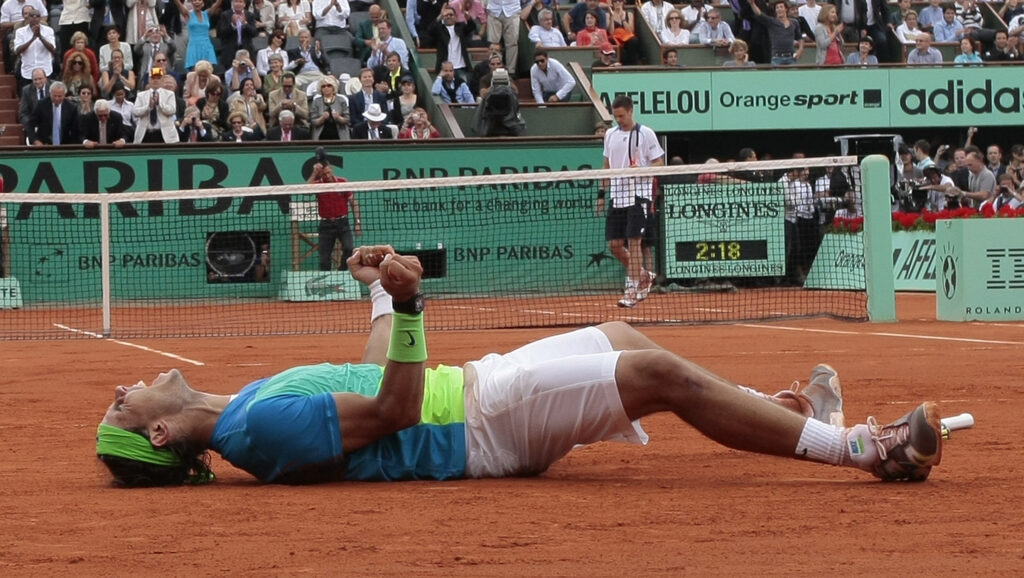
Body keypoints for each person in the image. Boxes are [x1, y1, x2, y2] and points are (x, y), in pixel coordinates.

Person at [95, 244, 945, 487]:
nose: (123, 388)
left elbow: (368, 379)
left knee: (623, 337)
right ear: (163, 432)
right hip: (479, 428)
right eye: (121, 409)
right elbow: (393, 413)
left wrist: (382, 300)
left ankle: (796, 416)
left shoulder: (246, 405)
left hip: (474, 390)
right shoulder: (254, 428)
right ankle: (865, 450)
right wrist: (417, 312)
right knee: (659, 379)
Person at [598, 95, 664, 309]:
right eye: (616, 116)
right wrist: (602, 193)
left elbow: (659, 163)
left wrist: (643, 170)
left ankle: (632, 288)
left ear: (631, 111)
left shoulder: (646, 134)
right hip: (617, 197)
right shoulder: (609, 134)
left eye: (622, 116)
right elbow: (606, 165)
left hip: (639, 195)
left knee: (634, 241)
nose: (619, 120)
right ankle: (643, 275)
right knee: (615, 245)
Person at [309, 148, 360, 271]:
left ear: (331, 169)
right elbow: (306, 191)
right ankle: (326, 281)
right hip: (326, 225)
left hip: (343, 223)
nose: (326, 176)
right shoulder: (318, 185)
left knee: (349, 249)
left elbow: (354, 203)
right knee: (324, 259)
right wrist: (314, 173)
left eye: (328, 172)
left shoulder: (342, 182)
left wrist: (357, 223)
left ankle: (341, 272)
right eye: (323, 174)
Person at [170, 0, 225, 71]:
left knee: (208, 72)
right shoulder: (188, 14)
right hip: (194, 47)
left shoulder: (207, 13)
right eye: (194, 0)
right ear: (192, 3)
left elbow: (218, 3)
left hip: (207, 46)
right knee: (195, 73)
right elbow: (177, 3)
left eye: (199, 0)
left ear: (203, 3)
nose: (197, 2)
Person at [748, 0, 803, 66]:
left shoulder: (794, 22)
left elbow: (800, 38)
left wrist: (800, 49)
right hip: (777, 58)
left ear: (786, 9)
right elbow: (759, 14)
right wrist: (752, 4)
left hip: (791, 58)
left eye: (781, 7)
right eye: (777, 8)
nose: (779, 9)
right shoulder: (772, 22)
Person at [12, 6, 54, 91]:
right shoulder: (20, 32)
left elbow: (52, 49)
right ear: (28, 18)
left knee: (46, 100)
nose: (35, 18)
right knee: (27, 99)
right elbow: (18, 50)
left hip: (45, 70)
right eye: (32, 16)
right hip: (27, 72)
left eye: (37, 16)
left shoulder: (48, 30)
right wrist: (33, 38)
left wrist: (40, 37)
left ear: (40, 18)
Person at [133, 68, 180, 143]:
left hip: (164, 135)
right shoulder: (141, 95)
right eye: (153, 78)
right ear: (149, 80)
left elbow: (172, 110)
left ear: (162, 80)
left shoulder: (170, 94)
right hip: (146, 134)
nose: (155, 80)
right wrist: (148, 107)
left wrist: (159, 103)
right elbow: (135, 112)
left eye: (158, 78)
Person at [473, 68, 524, 136]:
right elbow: (482, 94)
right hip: (492, 127)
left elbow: (516, 92)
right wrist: (492, 87)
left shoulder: (511, 92)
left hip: (509, 128)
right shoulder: (489, 93)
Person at [28, 82, 81, 146]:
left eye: (60, 96)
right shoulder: (41, 105)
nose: (57, 98)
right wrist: (35, 141)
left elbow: (75, 130)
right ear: (50, 94)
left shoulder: (72, 108)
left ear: (64, 95)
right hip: (44, 145)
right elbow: (30, 124)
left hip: (65, 146)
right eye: (54, 96)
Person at [486, 0, 522, 76]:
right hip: (494, 9)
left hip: (512, 9)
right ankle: (492, 69)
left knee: (512, 44)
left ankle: (510, 72)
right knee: (493, 44)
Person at [309, 75, 351, 140]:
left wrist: (338, 117)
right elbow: (313, 122)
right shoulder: (316, 101)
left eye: (329, 85)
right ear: (320, 89)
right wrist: (322, 118)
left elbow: (347, 120)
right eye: (323, 86)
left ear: (333, 87)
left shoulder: (341, 100)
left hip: (339, 135)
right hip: (321, 135)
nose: (326, 88)